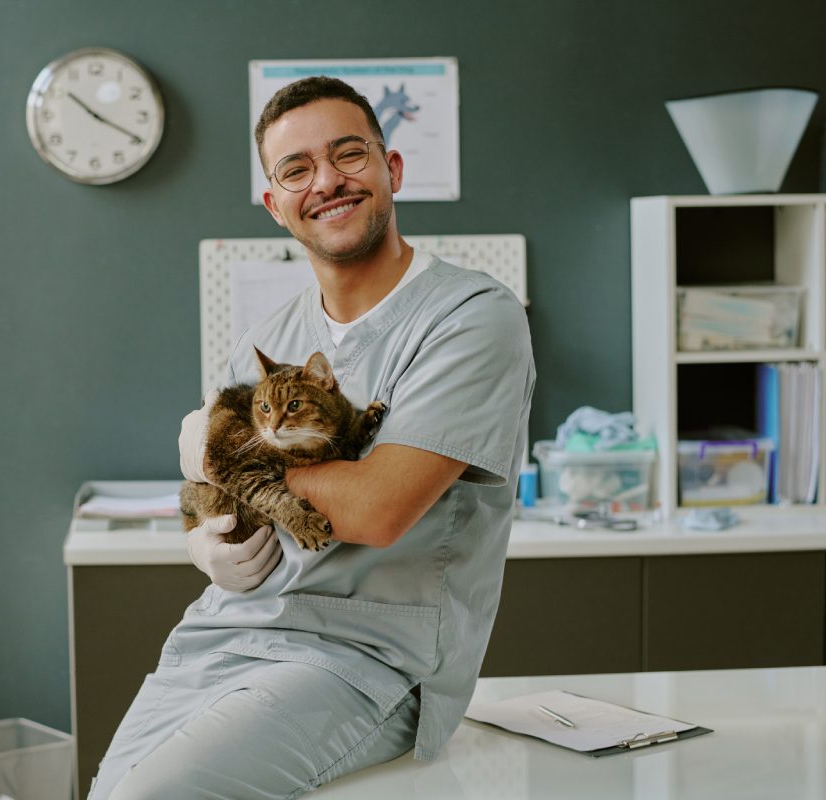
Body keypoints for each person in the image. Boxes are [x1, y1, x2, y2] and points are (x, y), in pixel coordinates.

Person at [88, 76, 535, 800]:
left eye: (347, 155)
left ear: (391, 170)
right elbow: (212, 497)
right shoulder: (269, 342)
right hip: (227, 634)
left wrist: (222, 455)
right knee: (109, 791)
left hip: (366, 660)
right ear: (276, 204)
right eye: (296, 169)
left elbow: (376, 508)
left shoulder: (471, 317)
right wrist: (205, 544)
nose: (325, 181)